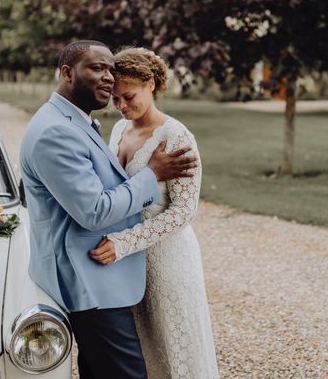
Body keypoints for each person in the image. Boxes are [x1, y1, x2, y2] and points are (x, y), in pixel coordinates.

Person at [19, 40, 198, 379]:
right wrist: (152, 175)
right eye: (97, 68)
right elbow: (95, 210)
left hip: (119, 269)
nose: (107, 78)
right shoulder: (56, 131)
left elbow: (182, 209)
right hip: (90, 280)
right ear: (67, 72)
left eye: (111, 70)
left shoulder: (74, 120)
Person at [89, 47, 219, 379]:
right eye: (115, 99)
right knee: (142, 351)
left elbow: (184, 212)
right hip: (128, 260)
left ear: (150, 83)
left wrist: (124, 242)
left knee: (175, 346)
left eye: (128, 96)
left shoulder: (176, 137)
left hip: (167, 258)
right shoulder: (120, 129)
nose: (121, 106)